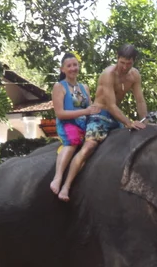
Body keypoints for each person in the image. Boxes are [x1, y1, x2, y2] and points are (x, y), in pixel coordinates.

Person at [57, 44, 148, 202]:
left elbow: (140, 100)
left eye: (129, 63)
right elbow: (111, 105)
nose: (125, 67)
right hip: (100, 114)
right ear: (117, 59)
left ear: (134, 62)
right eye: (122, 62)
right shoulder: (108, 74)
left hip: (115, 117)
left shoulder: (135, 76)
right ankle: (66, 185)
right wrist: (128, 122)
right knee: (89, 147)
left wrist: (144, 121)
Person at [50, 52, 100, 195]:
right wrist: (85, 112)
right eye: (69, 66)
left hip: (84, 124)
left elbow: (89, 108)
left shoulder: (85, 87)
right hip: (68, 124)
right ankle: (58, 177)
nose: (72, 68)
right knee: (74, 142)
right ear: (63, 69)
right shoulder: (59, 86)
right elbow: (60, 113)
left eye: (75, 65)